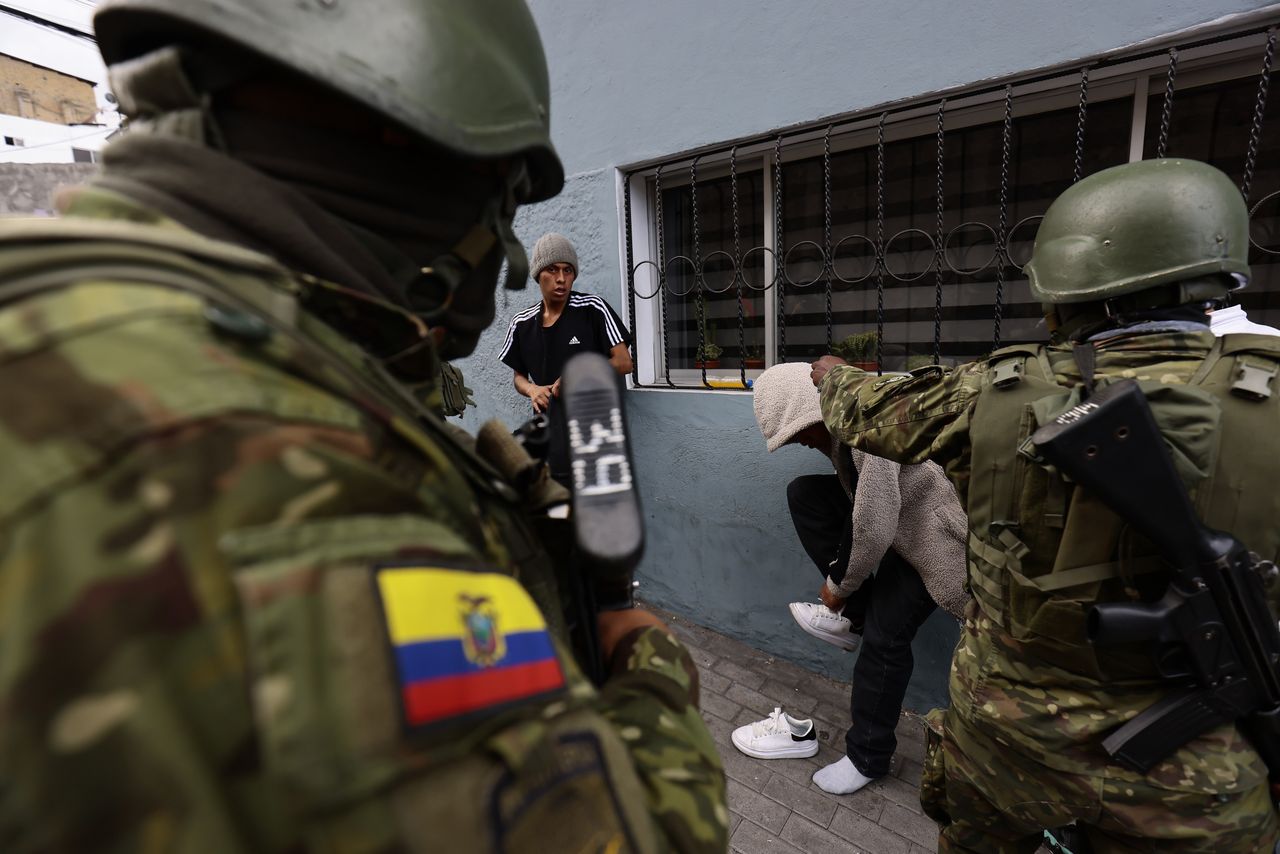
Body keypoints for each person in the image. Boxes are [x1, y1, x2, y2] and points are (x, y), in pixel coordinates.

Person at [0, 2, 726, 852]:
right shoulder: (301, 480)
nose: (518, 261)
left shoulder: (70, 314)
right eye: (501, 200)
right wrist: (649, 667)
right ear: (406, 148)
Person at [811, 158, 1280, 851]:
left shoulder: (994, 392)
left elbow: (867, 413)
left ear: (1063, 293)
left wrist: (833, 375)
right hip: (1195, 775)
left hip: (1008, 737)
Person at [744, 362, 966, 795]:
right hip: (903, 519)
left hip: (934, 539)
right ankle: (856, 617)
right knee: (805, 494)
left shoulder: (868, 427)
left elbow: (873, 524)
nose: (803, 444)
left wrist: (836, 589)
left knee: (886, 638)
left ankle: (868, 758)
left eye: (800, 433)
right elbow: (864, 508)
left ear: (814, 413)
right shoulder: (845, 429)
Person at [500, 232, 634, 487]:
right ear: (538, 274)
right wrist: (532, 389)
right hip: (550, 437)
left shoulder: (593, 308)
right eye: (552, 269)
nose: (561, 279)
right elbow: (518, 377)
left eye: (568, 270)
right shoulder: (522, 323)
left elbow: (624, 362)